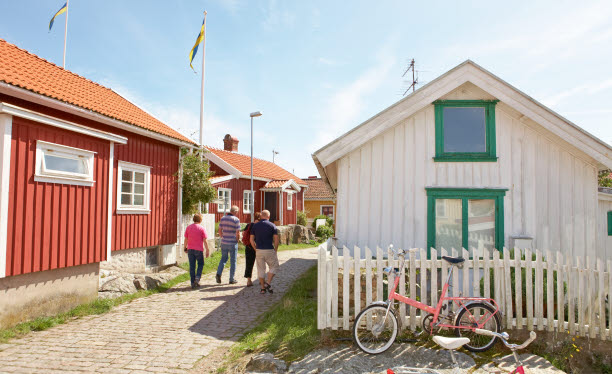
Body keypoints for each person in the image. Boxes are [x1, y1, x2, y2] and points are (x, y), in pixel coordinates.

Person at [250, 210, 280, 294]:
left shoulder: (255, 226)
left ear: (260, 216)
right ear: (268, 217)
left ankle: (262, 288)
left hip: (259, 250)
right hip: (269, 249)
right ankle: (268, 283)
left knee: (261, 269)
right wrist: (276, 249)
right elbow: (276, 239)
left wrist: (255, 248)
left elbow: (251, 240)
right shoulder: (272, 225)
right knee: (274, 266)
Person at [184, 214, 210, 289]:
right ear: (200, 220)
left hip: (190, 249)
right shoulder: (202, 228)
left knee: (192, 266)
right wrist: (207, 249)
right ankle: (197, 278)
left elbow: (186, 238)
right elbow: (205, 240)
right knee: (200, 264)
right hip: (199, 250)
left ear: (193, 219)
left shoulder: (189, 228)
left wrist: (185, 247)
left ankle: (192, 282)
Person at [217, 205, 240, 284]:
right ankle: (231, 279)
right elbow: (238, 232)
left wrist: (222, 237)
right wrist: (237, 239)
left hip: (224, 242)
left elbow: (219, 230)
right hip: (232, 242)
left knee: (223, 259)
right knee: (233, 260)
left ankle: (218, 273)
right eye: (237, 212)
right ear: (235, 211)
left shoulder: (223, 218)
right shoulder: (236, 219)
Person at [242, 212, 261, 287]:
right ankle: (261, 279)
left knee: (249, 263)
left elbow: (243, 233)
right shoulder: (260, 226)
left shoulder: (249, 225)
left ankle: (249, 280)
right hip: (258, 246)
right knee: (260, 264)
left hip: (249, 246)